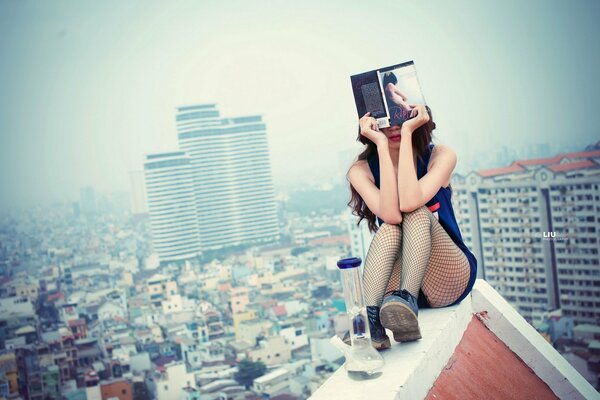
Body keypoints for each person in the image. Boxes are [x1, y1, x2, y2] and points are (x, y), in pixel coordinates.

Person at [343, 104, 477, 350]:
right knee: (390, 227)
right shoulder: (361, 170)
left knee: (415, 212)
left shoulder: (441, 155)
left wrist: (407, 135)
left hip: (448, 275)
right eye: (385, 119)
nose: (394, 125)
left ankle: (407, 299)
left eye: (401, 118)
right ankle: (373, 322)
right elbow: (391, 214)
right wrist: (382, 147)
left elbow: (410, 201)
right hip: (394, 294)